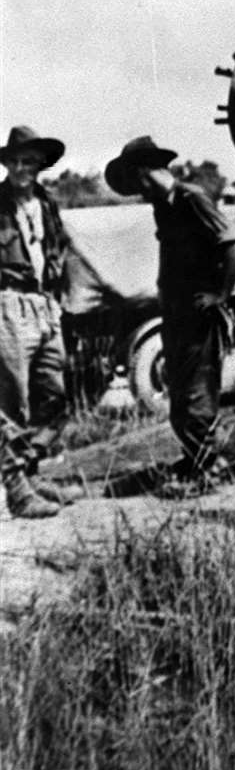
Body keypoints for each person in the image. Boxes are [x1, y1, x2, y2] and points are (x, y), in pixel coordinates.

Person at [106, 136, 235, 498]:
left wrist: (220, 295)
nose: (136, 192)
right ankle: (195, 458)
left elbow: (232, 244)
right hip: (177, 314)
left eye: (133, 183)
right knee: (180, 393)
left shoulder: (190, 197)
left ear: (142, 174)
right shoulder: (164, 206)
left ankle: (209, 470)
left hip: (200, 316)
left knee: (198, 391)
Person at [0, 126, 83, 518]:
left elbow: (60, 251)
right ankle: (17, 490)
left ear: (39, 166)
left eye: (28, 161)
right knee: (11, 400)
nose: (20, 168)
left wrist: (61, 299)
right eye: (14, 161)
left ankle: (31, 472)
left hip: (45, 305)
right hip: (9, 304)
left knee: (53, 395)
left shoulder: (47, 204)